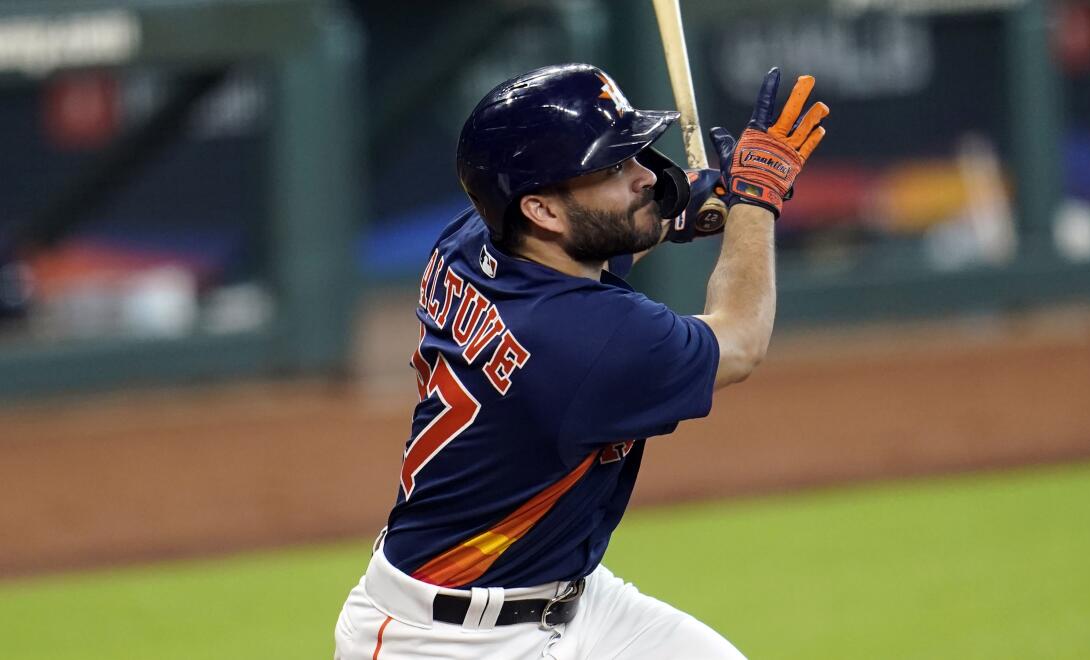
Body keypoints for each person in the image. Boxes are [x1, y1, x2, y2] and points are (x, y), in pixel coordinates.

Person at [335, 63, 828, 659]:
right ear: (541, 210)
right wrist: (756, 199)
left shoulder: (472, 241)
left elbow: (589, 244)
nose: (645, 175)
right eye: (614, 167)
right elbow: (741, 339)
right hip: (441, 642)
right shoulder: (590, 341)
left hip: (574, 603)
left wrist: (677, 205)